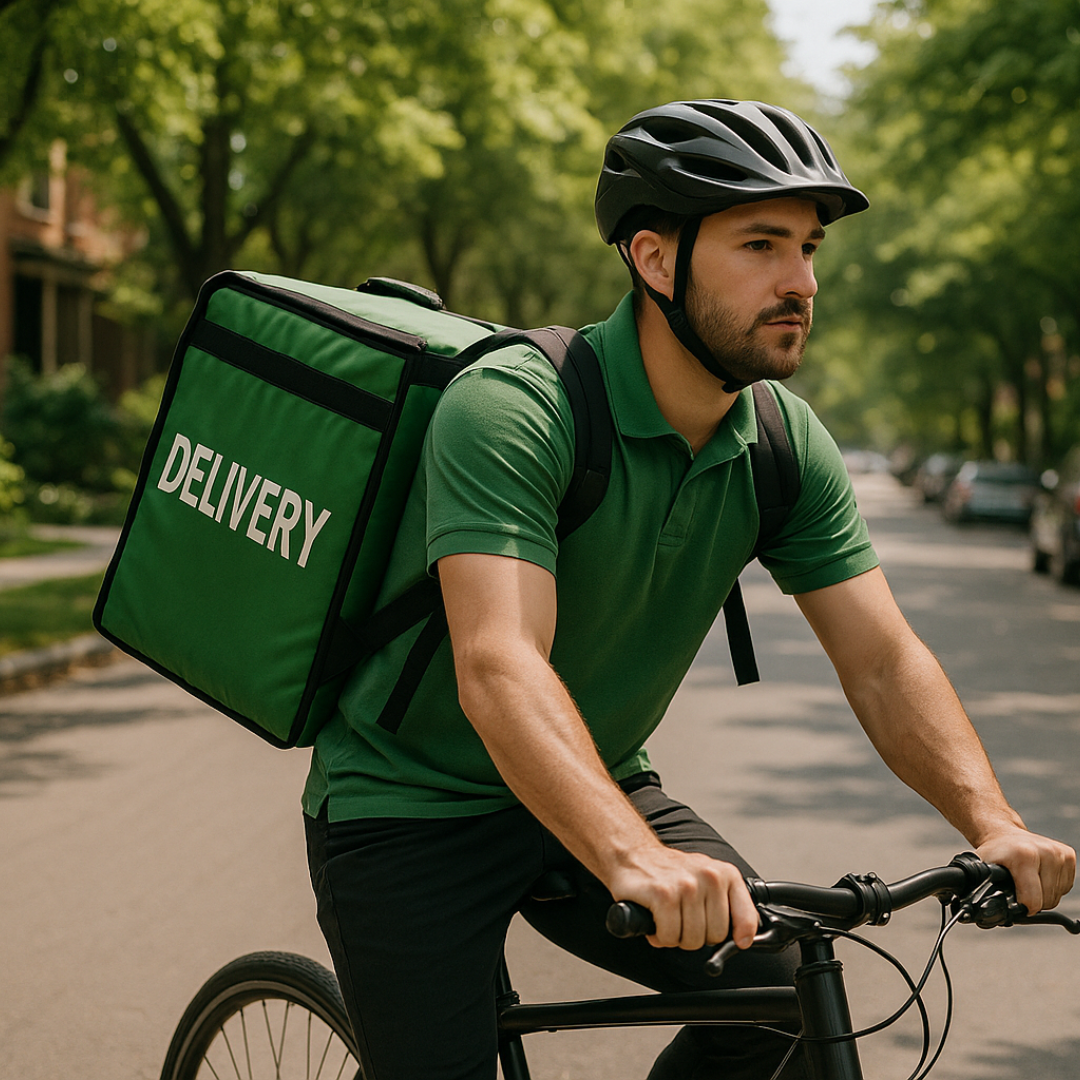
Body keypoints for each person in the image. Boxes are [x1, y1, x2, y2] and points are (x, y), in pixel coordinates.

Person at [302, 99, 1075, 1080]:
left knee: (782, 993)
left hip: (602, 778)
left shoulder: (785, 445)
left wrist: (992, 821)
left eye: (808, 247)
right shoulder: (517, 406)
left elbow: (882, 660)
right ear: (655, 259)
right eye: (761, 244)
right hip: (404, 804)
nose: (801, 282)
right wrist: (629, 855)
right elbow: (497, 662)